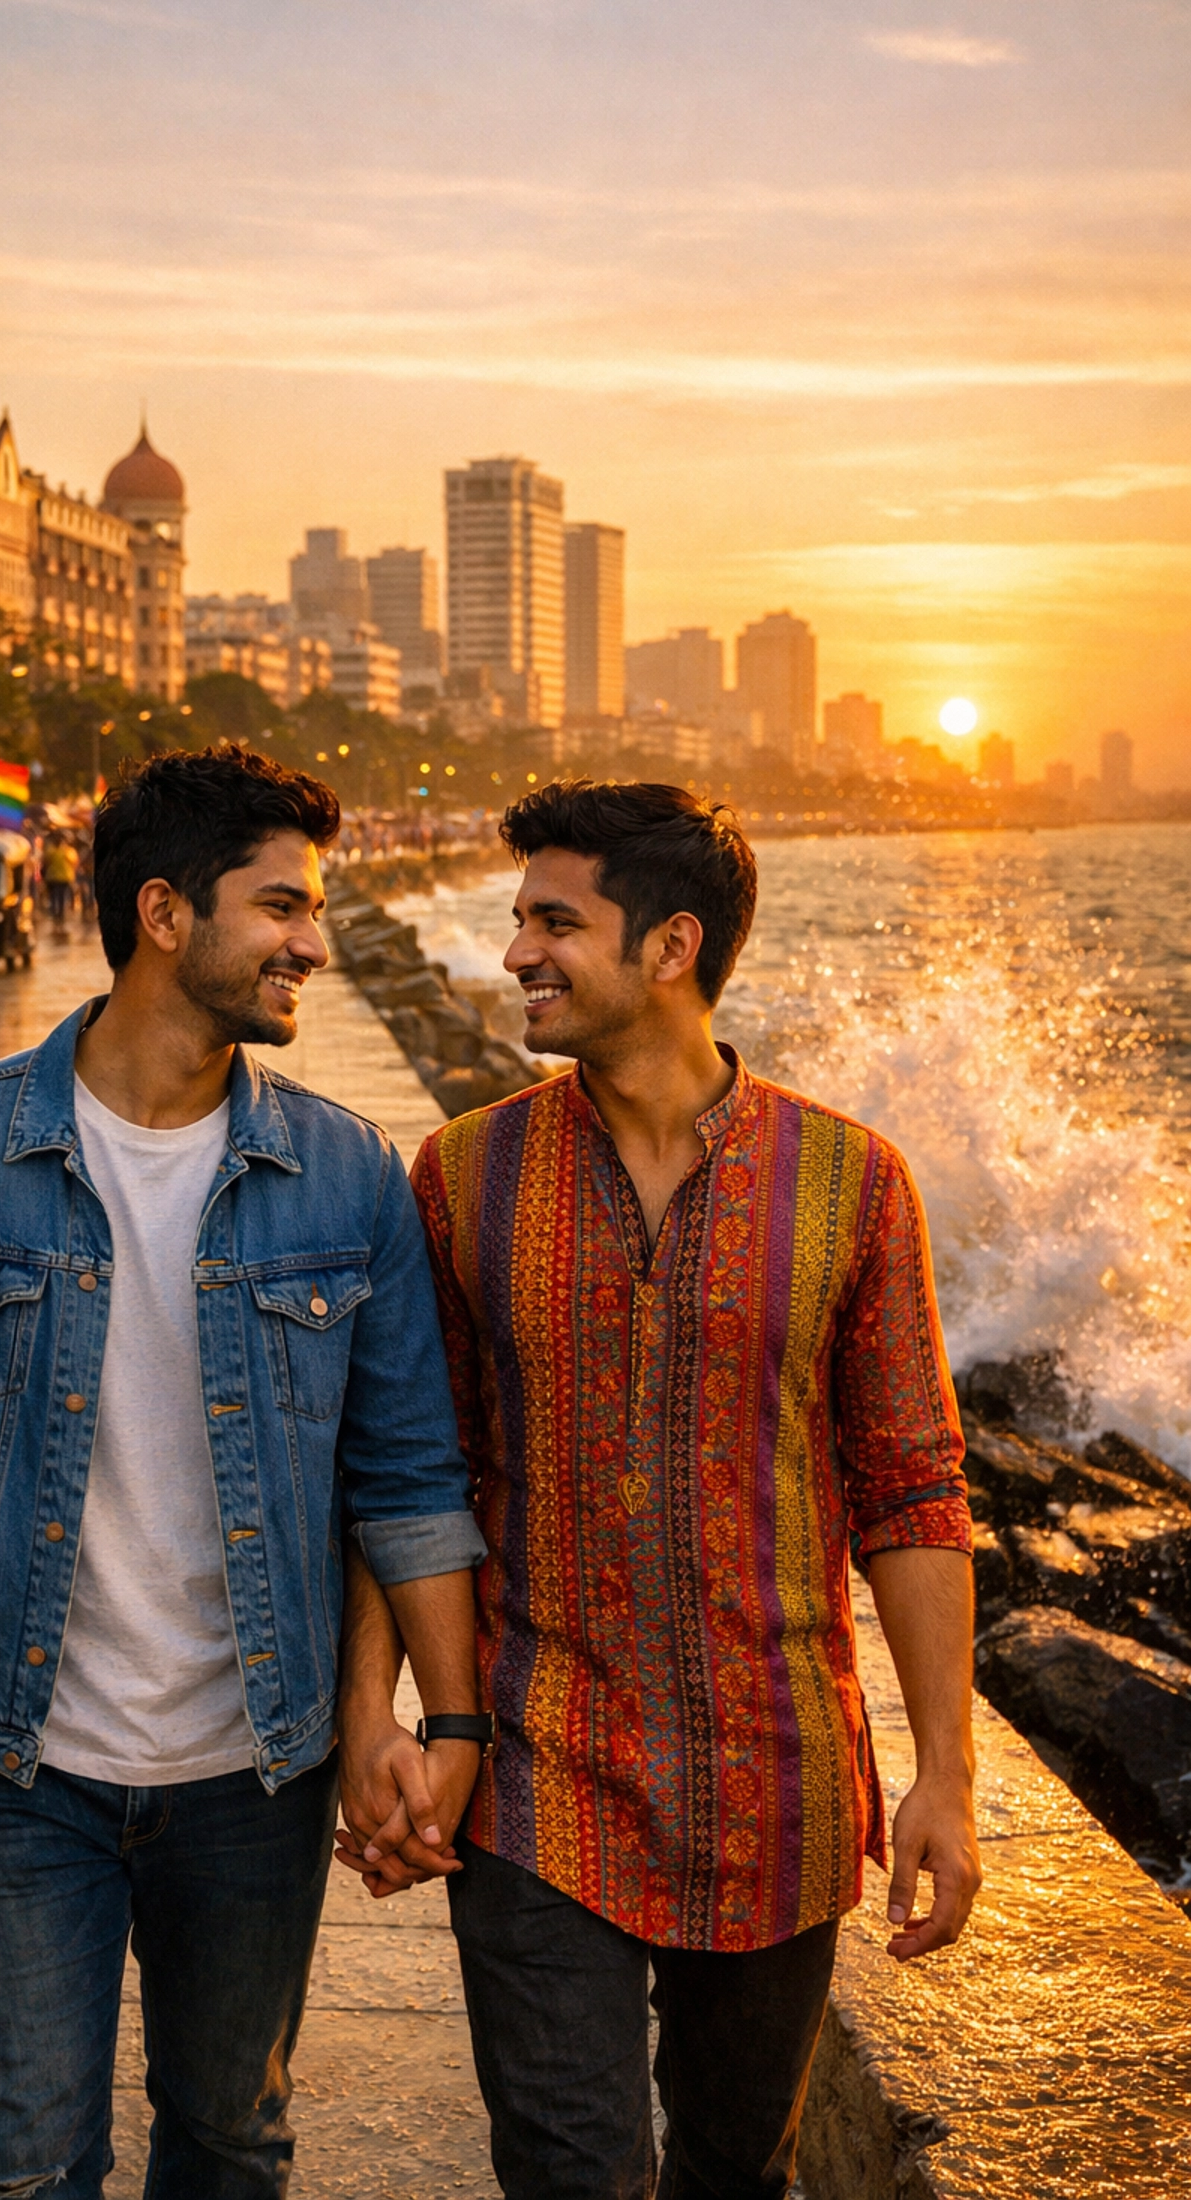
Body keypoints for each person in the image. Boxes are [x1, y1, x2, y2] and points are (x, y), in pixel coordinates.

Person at [0, 743, 487, 2199]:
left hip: (257, 1772)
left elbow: (409, 1477)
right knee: (23, 2165)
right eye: (282, 906)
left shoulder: (348, 1175)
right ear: (166, 915)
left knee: (234, 2145)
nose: (314, 940)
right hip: (3, 1765)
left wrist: (441, 1724)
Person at [343, 780, 980, 2200]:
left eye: (554, 923)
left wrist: (947, 1771)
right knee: (571, 2173)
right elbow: (407, 1473)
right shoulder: (462, 1176)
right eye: (518, 923)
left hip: (781, 1781)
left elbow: (915, 1493)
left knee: (734, 2173)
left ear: (673, 946)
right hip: (538, 1771)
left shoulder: (854, 1187)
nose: (517, 955)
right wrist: (377, 1716)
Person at [43, 833, 78, 926]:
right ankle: (60, 914)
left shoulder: (50, 850)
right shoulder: (68, 851)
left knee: (55, 897)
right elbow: (74, 862)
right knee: (61, 897)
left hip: (54, 877)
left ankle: (56, 914)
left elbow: (46, 861)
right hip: (64, 878)